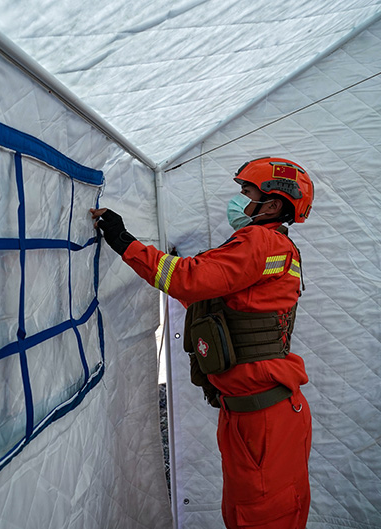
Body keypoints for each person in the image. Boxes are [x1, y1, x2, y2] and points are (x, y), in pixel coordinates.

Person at [91, 157, 314, 529]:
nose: (238, 200)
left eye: (247, 193)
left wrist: (124, 242)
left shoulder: (259, 242)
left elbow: (188, 281)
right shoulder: (272, 247)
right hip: (256, 413)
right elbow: (213, 299)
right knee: (249, 514)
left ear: (273, 205)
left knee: (260, 519)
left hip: (262, 419)